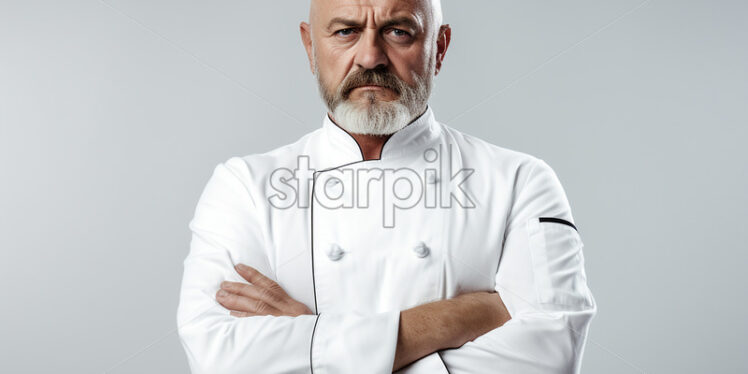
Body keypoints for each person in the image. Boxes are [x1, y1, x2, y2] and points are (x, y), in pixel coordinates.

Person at [176, 0, 596, 373]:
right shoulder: (243, 187)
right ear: (310, 47)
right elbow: (216, 355)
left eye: (398, 31)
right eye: (346, 31)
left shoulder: (521, 181)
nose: (370, 57)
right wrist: (453, 320)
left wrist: (311, 343)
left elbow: (550, 356)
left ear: (440, 48)